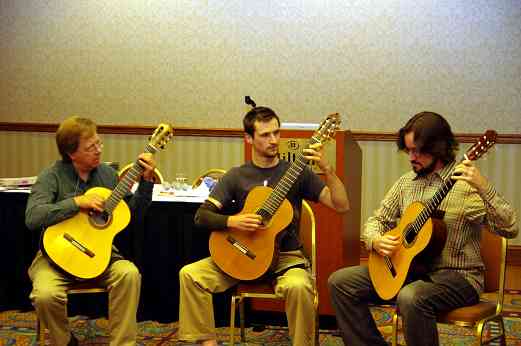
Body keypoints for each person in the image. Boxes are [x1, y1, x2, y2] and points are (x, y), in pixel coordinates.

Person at [328, 111, 518, 346]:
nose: (411, 157)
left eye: (418, 151)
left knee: (411, 297)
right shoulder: (406, 183)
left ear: (438, 149)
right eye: (408, 150)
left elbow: (510, 227)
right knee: (341, 282)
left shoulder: (466, 189)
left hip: (459, 277)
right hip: (409, 271)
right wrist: (376, 240)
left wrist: (483, 186)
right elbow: (376, 221)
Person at [178, 106, 350, 345]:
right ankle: (208, 342)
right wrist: (233, 220)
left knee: (300, 287)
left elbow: (341, 205)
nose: (274, 140)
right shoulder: (236, 176)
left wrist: (327, 170)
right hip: (241, 253)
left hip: (285, 258)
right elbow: (201, 217)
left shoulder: (296, 172)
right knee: (190, 275)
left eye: (276, 133)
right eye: (265, 135)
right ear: (249, 138)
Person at [26, 116, 157, 346]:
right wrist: (76, 203)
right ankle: (65, 340)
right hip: (55, 258)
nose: (98, 150)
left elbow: (132, 215)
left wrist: (146, 183)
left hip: (100, 257)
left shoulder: (106, 174)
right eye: (90, 147)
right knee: (45, 295)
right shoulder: (51, 176)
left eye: (99, 143)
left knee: (129, 274)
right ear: (71, 153)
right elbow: (33, 217)